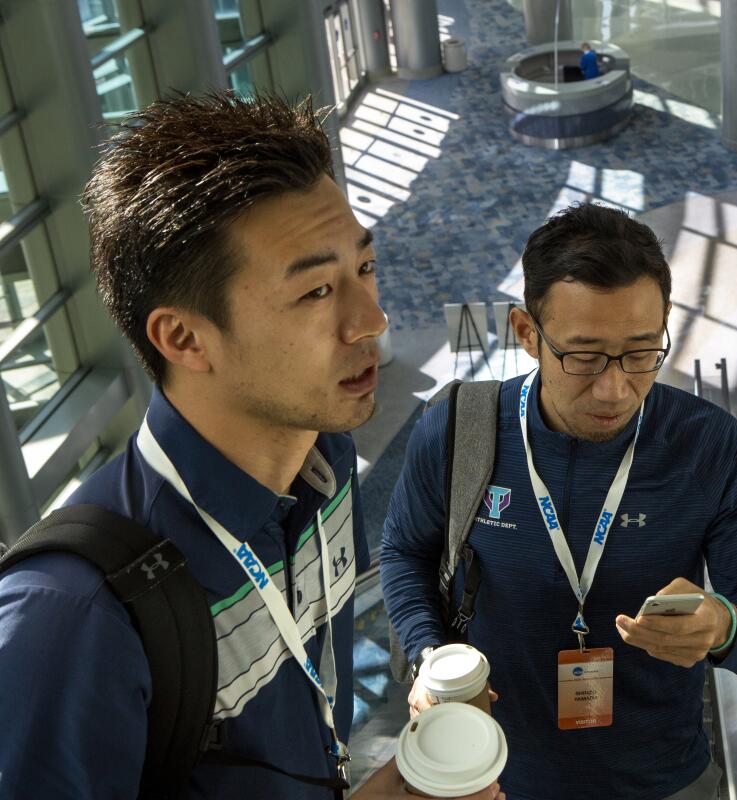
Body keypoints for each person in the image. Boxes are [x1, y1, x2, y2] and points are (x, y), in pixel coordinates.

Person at [0, 93, 497, 800]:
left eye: (364, 268)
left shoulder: (325, 474)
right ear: (184, 338)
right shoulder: (70, 621)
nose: (371, 320)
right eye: (316, 291)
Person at [381, 203, 737, 800]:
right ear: (527, 333)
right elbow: (405, 551)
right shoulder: (458, 429)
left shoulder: (706, 446)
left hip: (664, 782)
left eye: (640, 353)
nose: (615, 389)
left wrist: (725, 628)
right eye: (583, 356)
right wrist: (432, 655)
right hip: (487, 778)